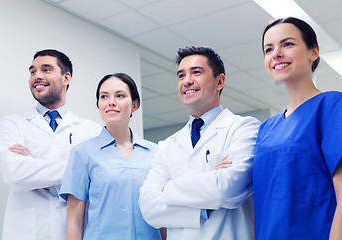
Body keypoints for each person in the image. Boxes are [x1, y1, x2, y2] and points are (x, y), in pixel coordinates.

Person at [139, 46, 261, 239]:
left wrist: (169, 187)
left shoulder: (244, 128)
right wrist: (202, 209)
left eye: (196, 72)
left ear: (219, 81)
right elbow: (149, 208)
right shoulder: (167, 146)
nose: (187, 81)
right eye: (181, 75)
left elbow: (230, 189)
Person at [0, 49, 101, 240]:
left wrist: (35, 168)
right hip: (26, 232)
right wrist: (76, 171)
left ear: (66, 77)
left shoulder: (91, 130)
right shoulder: (13, 124)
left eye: (46, 69)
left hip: (74, 230)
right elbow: (14, 173)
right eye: (32, 71)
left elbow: (97, 179)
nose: (37, 76)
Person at [253, 17, 342, 239]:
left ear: (313, 52)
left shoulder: (331, 106)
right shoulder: (266, 129)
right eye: (269, 49)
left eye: (288, 44)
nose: (276, 53)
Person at [59, 73, 164, 240]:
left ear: (134, 105)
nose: (111, 102)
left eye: (120, 95)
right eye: (104, 96)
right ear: (99, 104)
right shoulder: (82, 153)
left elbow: (162, 217)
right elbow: (74, 221)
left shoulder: (156, 153)